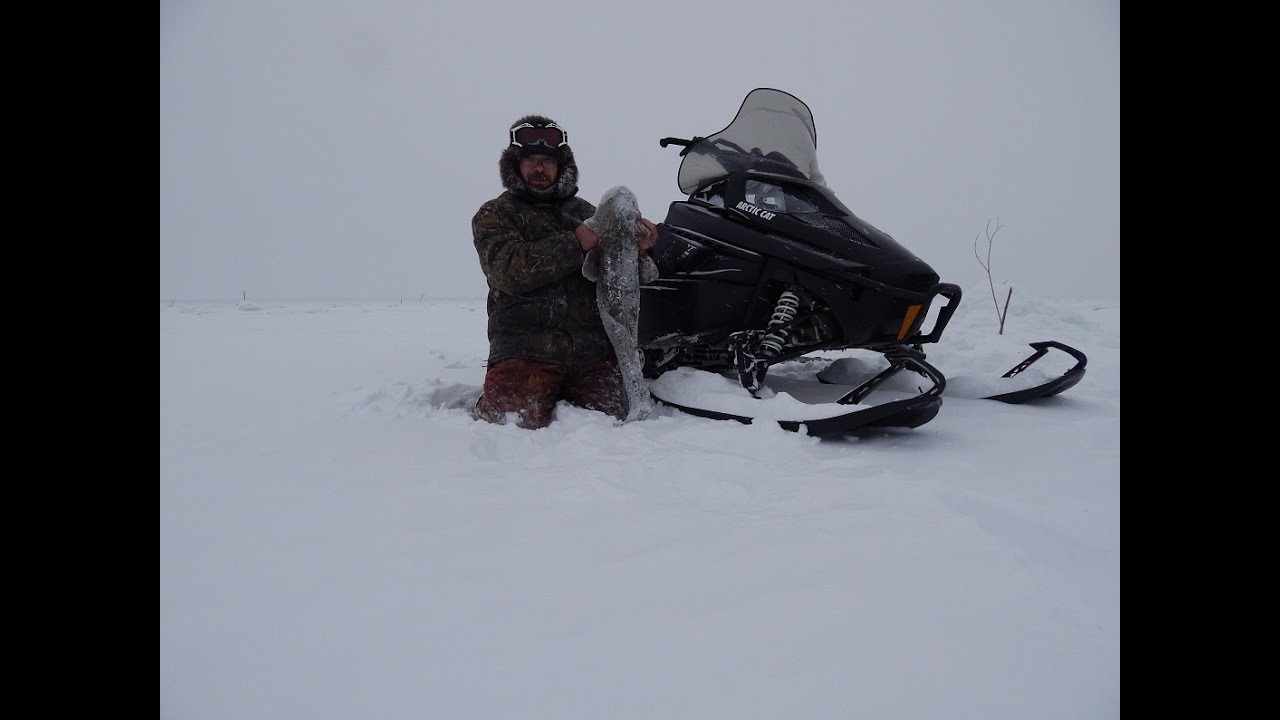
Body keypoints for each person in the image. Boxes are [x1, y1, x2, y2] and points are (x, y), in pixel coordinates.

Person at [471, 115, 658, 429]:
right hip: (526, 348)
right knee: (510, 424)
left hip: (591, 353)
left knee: (610, 424)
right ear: (516, 165)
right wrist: (578, 241)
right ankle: (487, 397)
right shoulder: (495, 213)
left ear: (562, 166)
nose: (539, 168)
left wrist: (640, 249)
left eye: (548, 161)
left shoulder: (588, 213)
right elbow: (510, 271)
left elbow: (616, 276)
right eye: (531, 160)